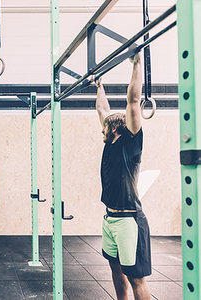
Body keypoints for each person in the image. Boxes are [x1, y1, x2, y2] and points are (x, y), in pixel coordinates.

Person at [95, 53, 151, 300]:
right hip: (110, 219)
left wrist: (137, 64)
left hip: (129, 220)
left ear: (116, 126)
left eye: (107, 123)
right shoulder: (109, 143)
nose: (102, 124)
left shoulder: (131, 142)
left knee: (136, 277)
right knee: (115, 269)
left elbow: (134, 99)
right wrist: (99, 85)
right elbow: (101, 107)